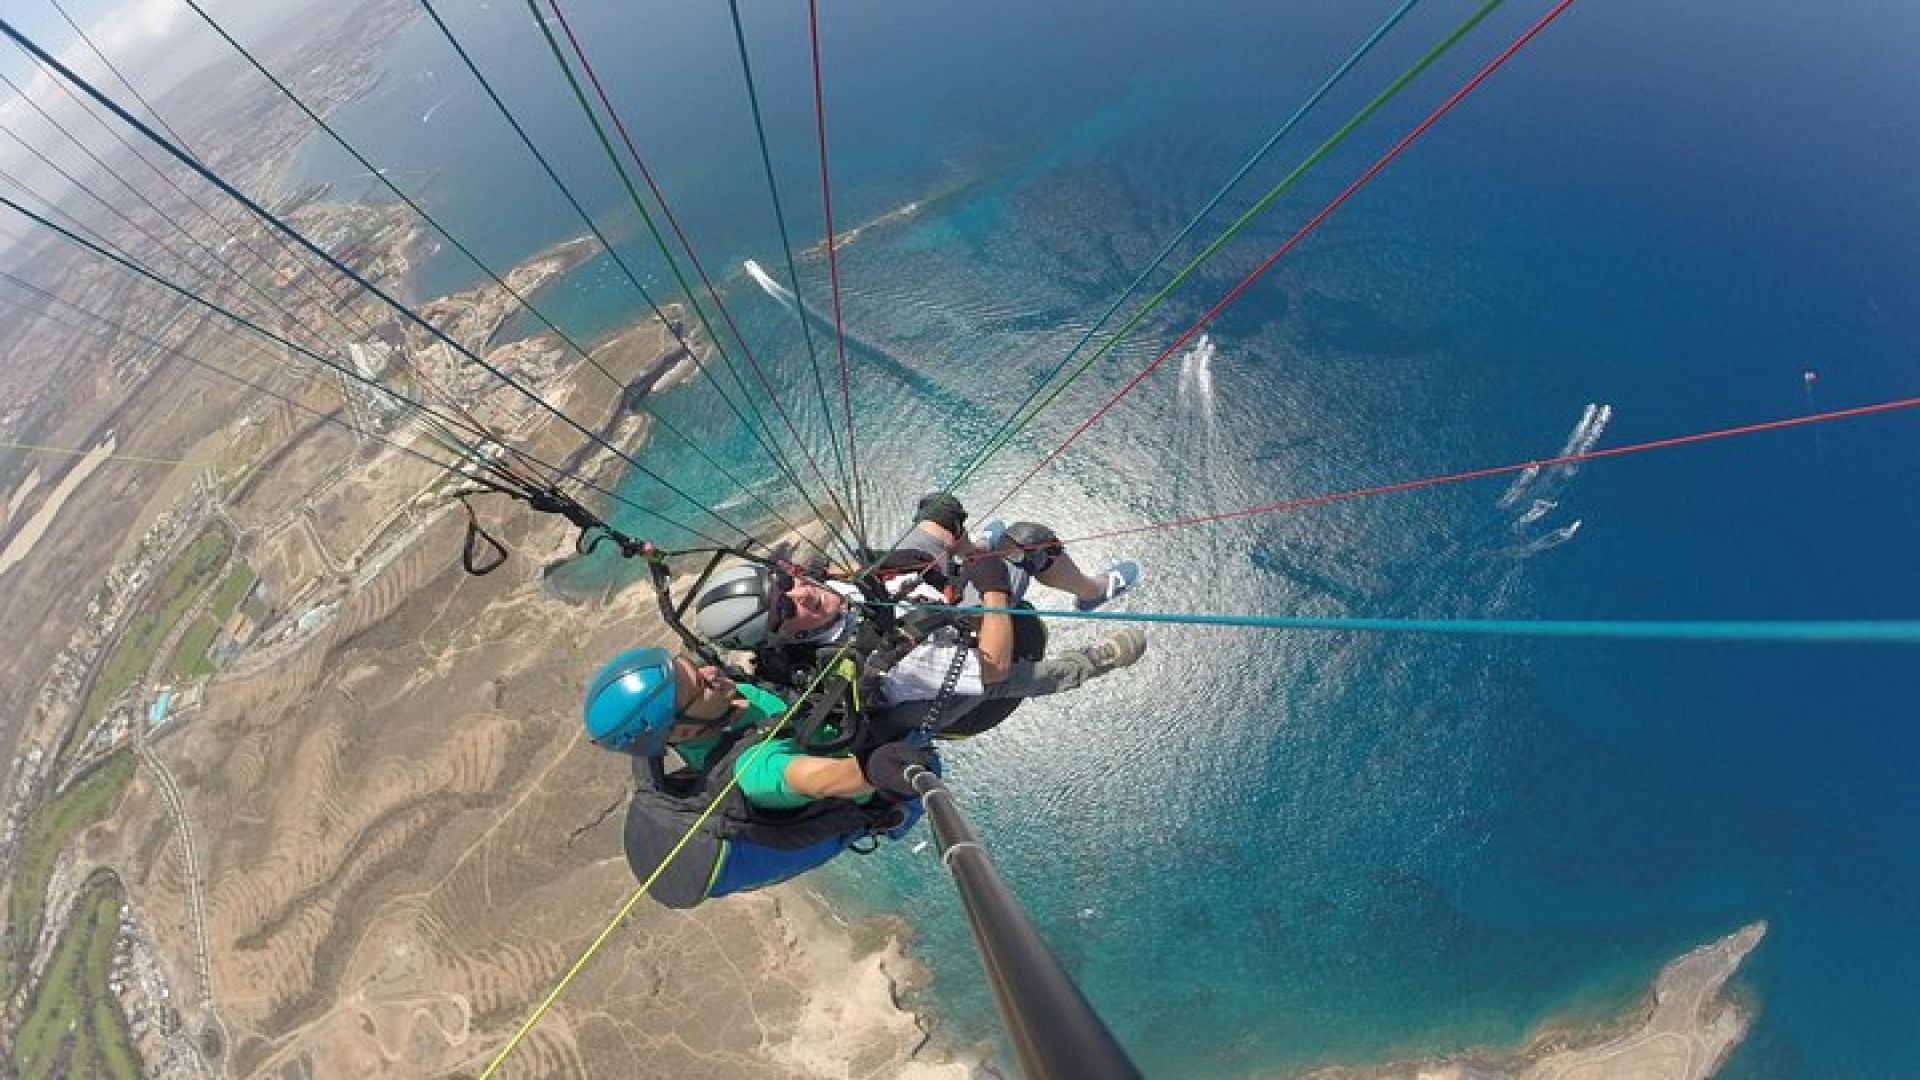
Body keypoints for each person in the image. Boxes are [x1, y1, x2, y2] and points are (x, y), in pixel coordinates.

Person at [690, 493, 1147, 739]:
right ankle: (1093, 605)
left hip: (922, 599)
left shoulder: (820, 593)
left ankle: (972, 549)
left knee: (941, 510)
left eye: (786, 582)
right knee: (1030, 539)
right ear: (777, 639)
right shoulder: (890, 665)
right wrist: (991, 587)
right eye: (785, 609)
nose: (802, 594)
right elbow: (994, 669)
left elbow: (838, 581)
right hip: (976, 654)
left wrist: (955, 553)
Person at [584, 647, 930, 908]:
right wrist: (877, 767)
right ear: (684, 732)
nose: (711, 672)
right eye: (701, 685)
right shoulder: (756, 770)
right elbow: (821, 778)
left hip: (834, 717)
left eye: (691, 664)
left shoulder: (718, 708)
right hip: (890, 766)